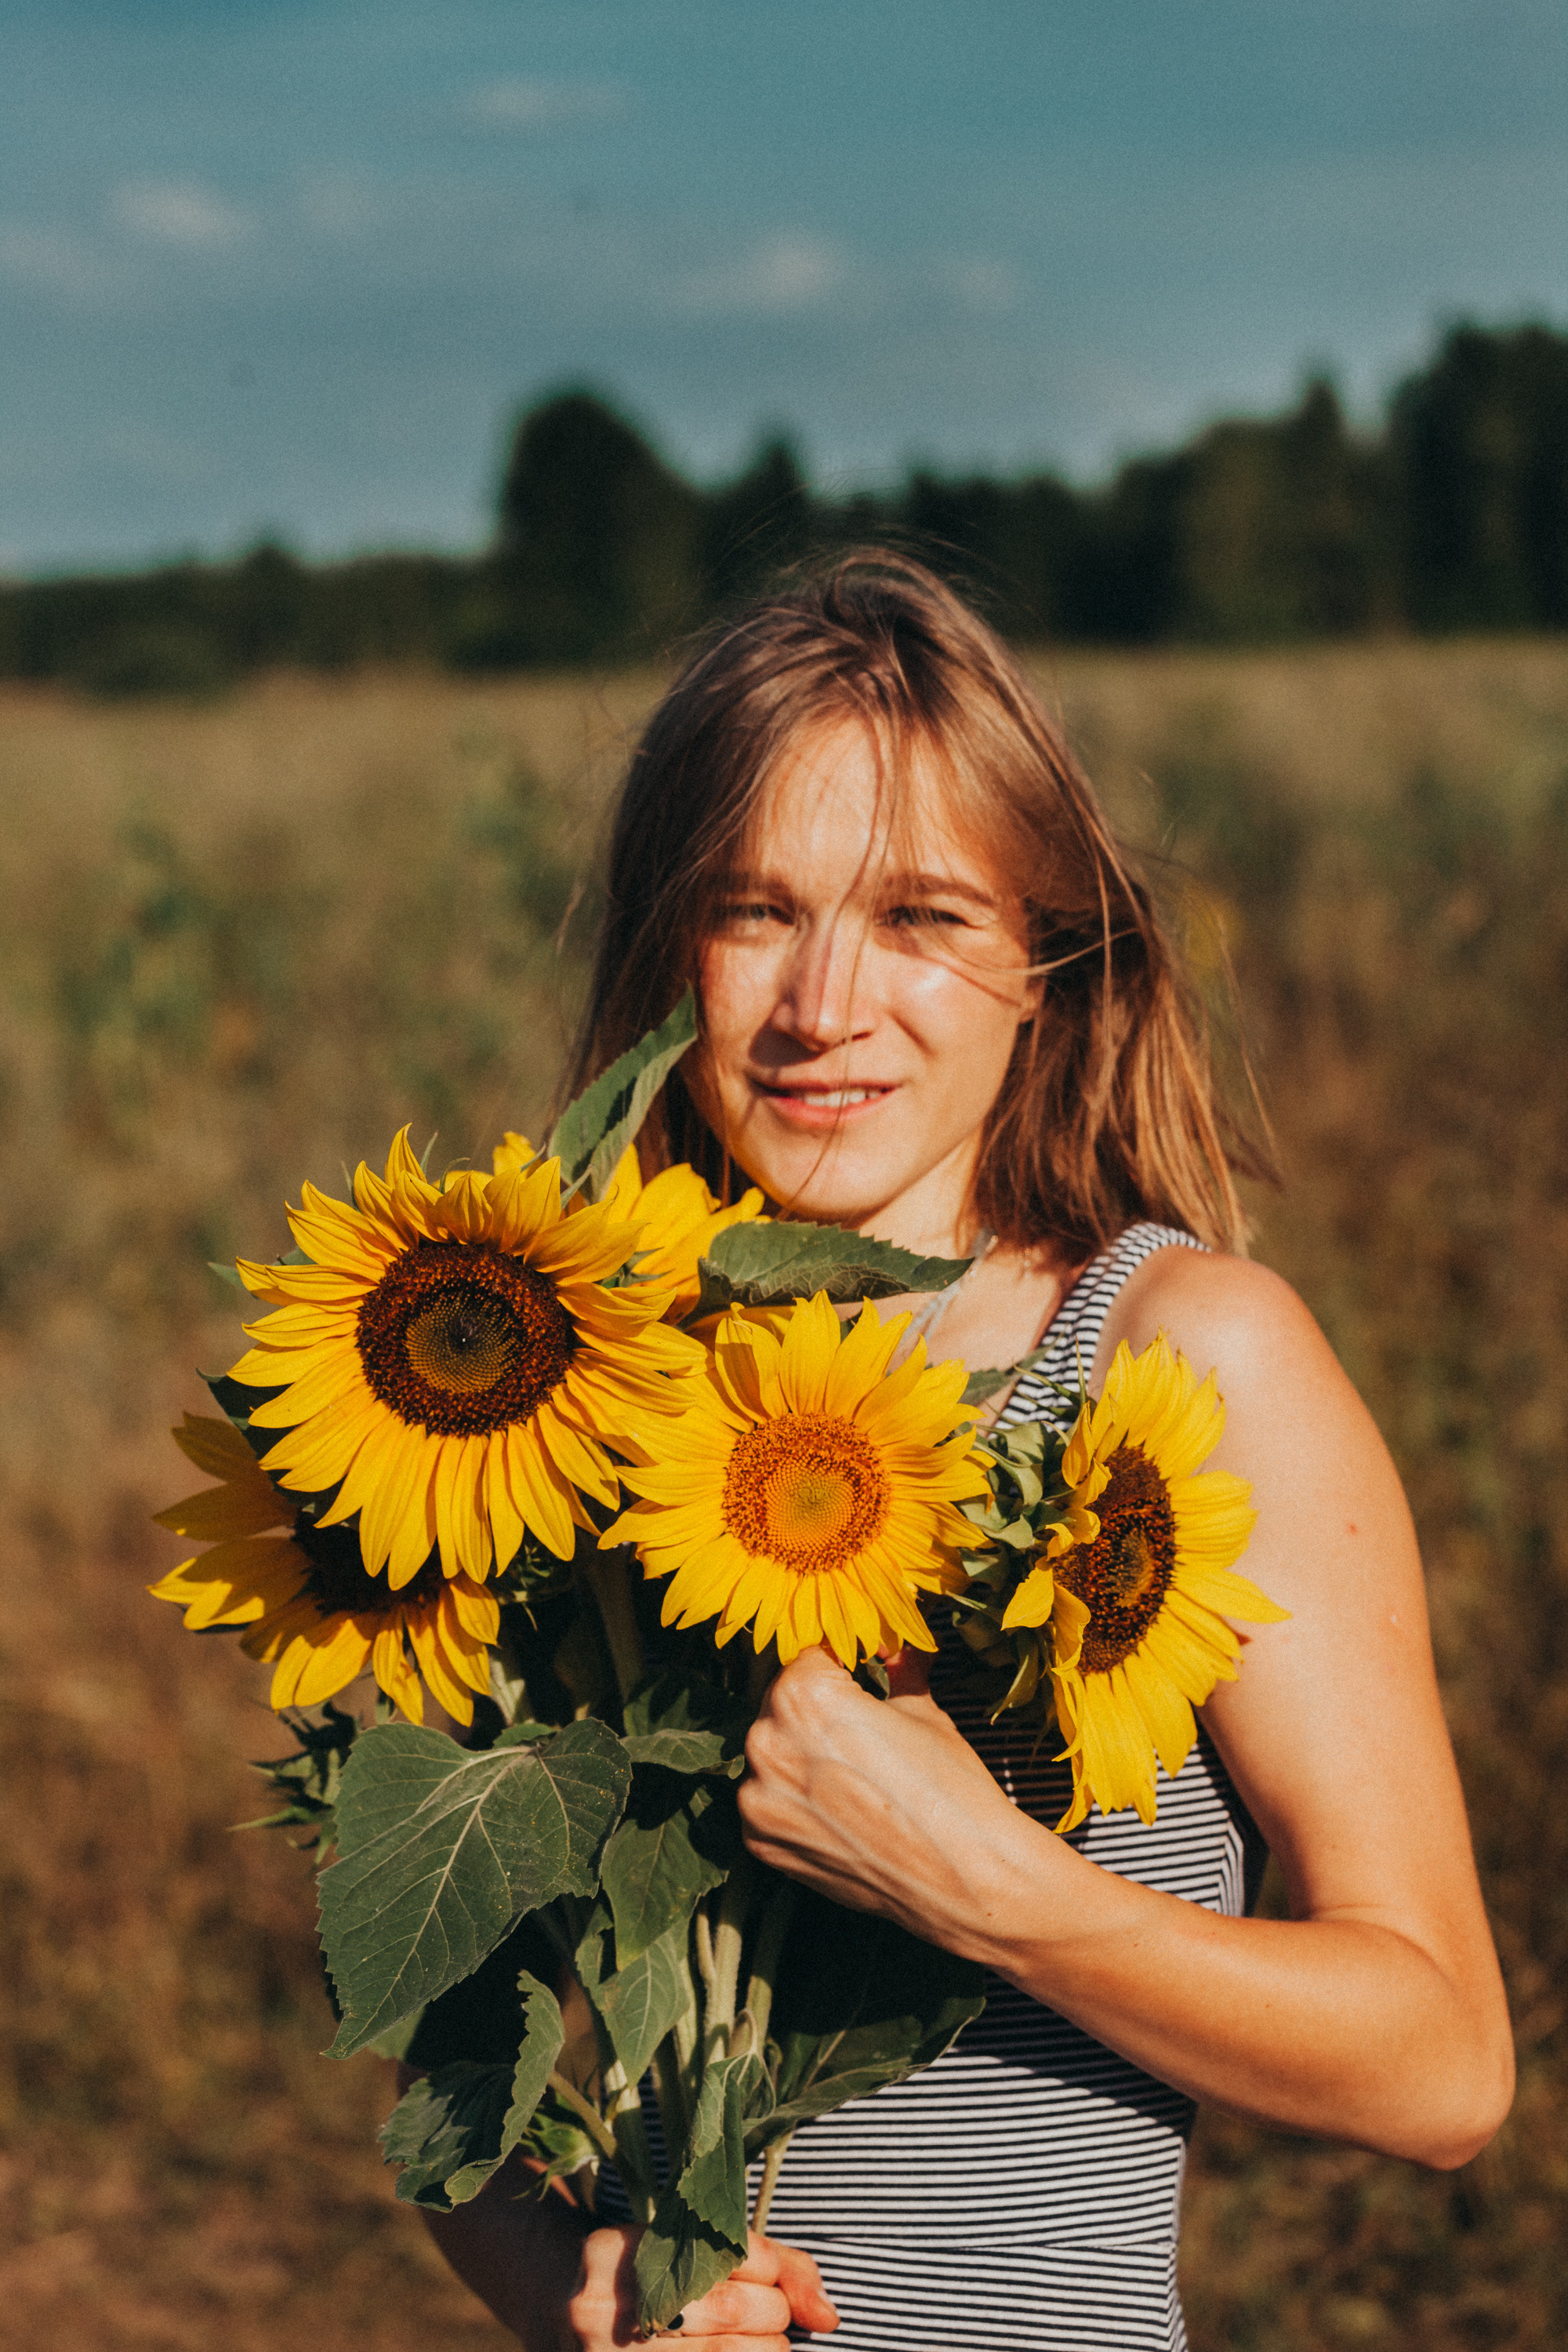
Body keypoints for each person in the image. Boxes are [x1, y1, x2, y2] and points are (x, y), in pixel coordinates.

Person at [411, 554, 1513, 2350]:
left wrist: (996, 1894)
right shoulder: (572, 1386)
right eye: (755, 910)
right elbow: (445, 2031)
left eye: (918, 915)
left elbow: (1444, 2062)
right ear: (667, 953)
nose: (822, 1003)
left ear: (1043, 962)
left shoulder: (1179, 1361)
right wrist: (570, 2286)